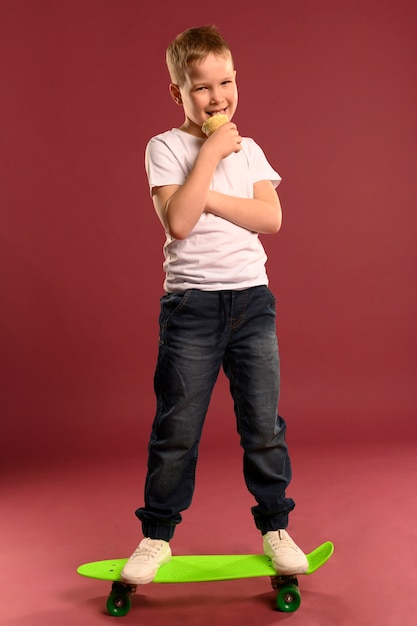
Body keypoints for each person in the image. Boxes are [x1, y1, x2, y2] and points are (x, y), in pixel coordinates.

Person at [121, 25, 308, 585]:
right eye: (200, 87)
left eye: (225, 81)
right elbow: (178, 222)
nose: (216, 96)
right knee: (177, 427)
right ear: (177, 92)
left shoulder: (249, 150)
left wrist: (208, 192)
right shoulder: (167, 147)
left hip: (252, 303)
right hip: (192, 310)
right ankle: (156, 537)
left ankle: (276, 526)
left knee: (263, 425)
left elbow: (270, 219)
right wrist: (207, 156)